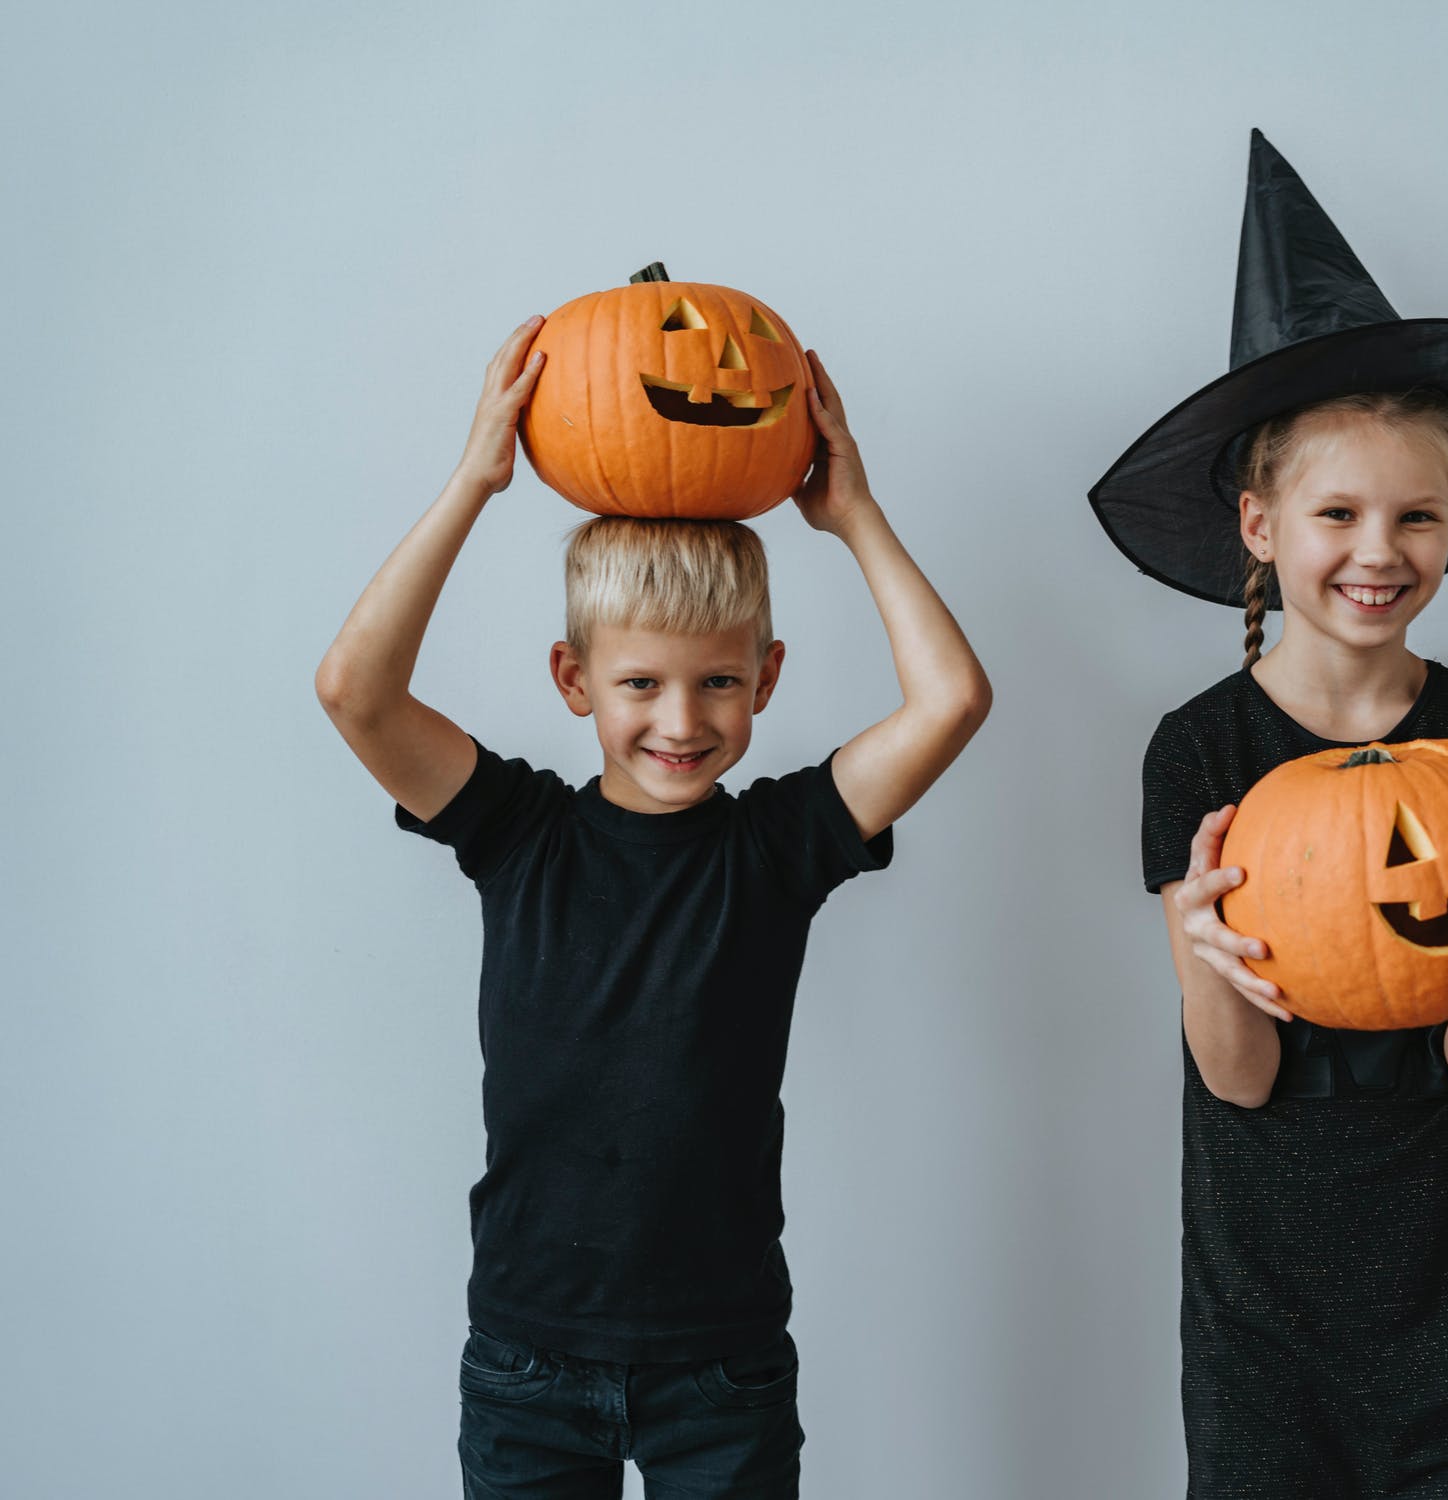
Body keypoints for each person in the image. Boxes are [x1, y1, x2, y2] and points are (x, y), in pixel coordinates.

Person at [314, 316, 990, 1497]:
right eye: (640, 684)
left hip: (719, 1366)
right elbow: (354, 691)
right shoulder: (518, 833)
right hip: (528, 1356)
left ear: (767, 678)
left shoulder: (781, 845)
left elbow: (950, 702)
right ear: (574, 682)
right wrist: (476, 481)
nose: (682, 722)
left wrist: (854, 517)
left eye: (719, 682)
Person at [1093, 132, 1448, 1497]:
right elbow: (1238, 1076)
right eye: (1337, 512)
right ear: (1259, 526)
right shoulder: (1199, 750)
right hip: (1265, 1287)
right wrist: (1198, 952)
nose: (1377, 553)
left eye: (1414, 518)